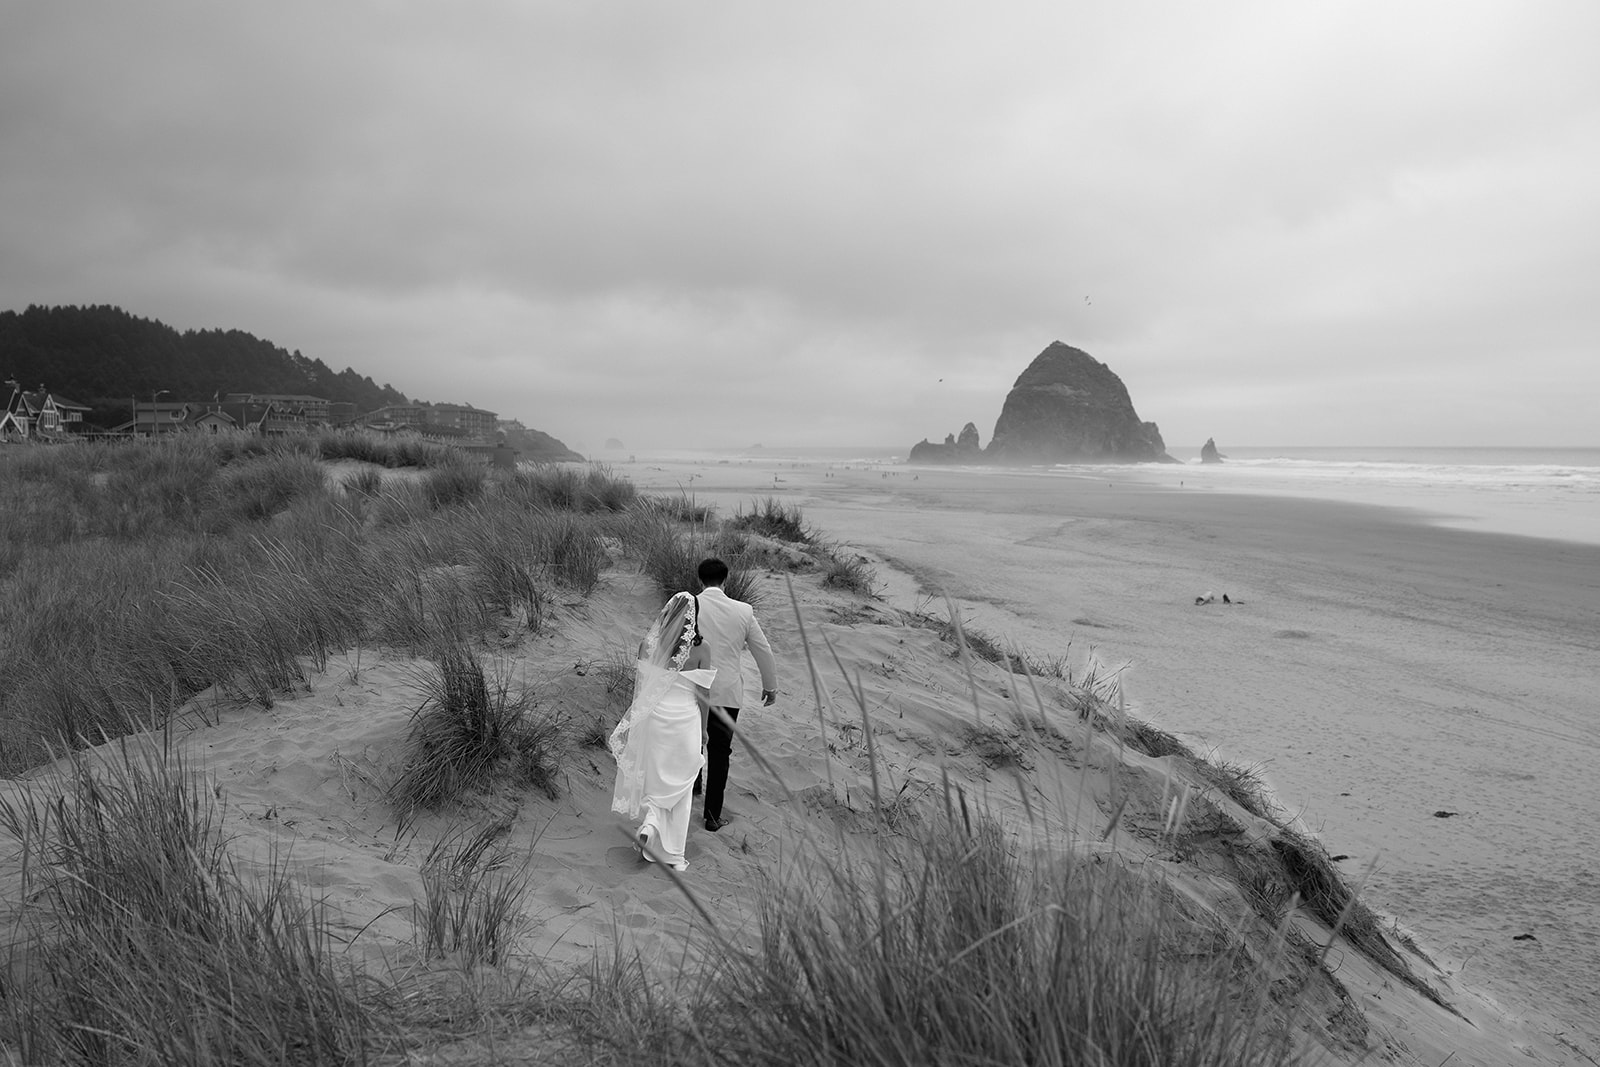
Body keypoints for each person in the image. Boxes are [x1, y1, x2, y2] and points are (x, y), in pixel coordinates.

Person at [608, 592, 715, 872]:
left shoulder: (647, 645)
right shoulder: (701, 650)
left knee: (656, 780)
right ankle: (674, 856)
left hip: (656, 718)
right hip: (685, 721)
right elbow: (704, 695)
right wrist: (704, 731)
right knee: (680, 786)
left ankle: (651, 823)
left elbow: (643, 686)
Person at [692, 558, 778, 832]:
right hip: (727, 692)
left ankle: (692, 787)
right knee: (720, 751)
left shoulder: (689, 605)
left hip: (692, 687)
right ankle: (712, 815)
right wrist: (770, 685)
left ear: (699, 580)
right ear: (726, 579)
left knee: (691, 742)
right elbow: (762, 650)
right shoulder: (743, 611)